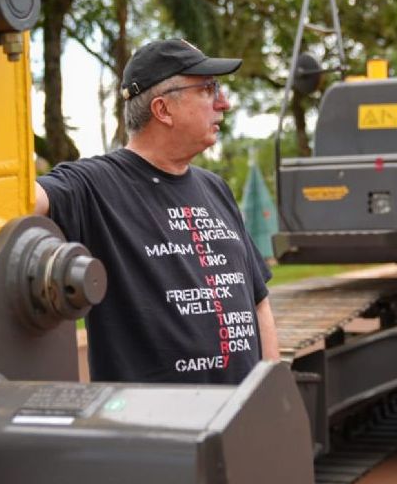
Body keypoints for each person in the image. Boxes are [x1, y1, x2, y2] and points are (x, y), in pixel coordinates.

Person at [35, 38, 280, 384]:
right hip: (157, 432)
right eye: (209, 89)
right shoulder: (96, 184)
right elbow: (18, 201)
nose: (223, 103)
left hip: (239, 421)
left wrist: (273, 391)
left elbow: (258, 301)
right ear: (163, 110)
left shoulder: (215, 188)